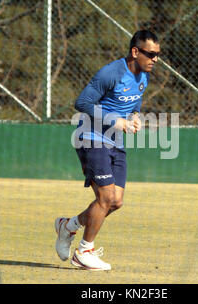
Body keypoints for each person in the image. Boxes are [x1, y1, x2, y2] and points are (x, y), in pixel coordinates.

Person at [55, 30, 160, 271]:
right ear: (135, 51)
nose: (155, 59)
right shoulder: (111, 72)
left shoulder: (144, 77)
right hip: (91, 138)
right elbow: (81, 103)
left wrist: (133, 118)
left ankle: (68, 226)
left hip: (115, 143)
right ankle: (84, 252)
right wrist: (116, 121)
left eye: (157, 55)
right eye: (151, 54)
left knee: (116, 202)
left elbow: (134, 105)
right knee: (105, 198)